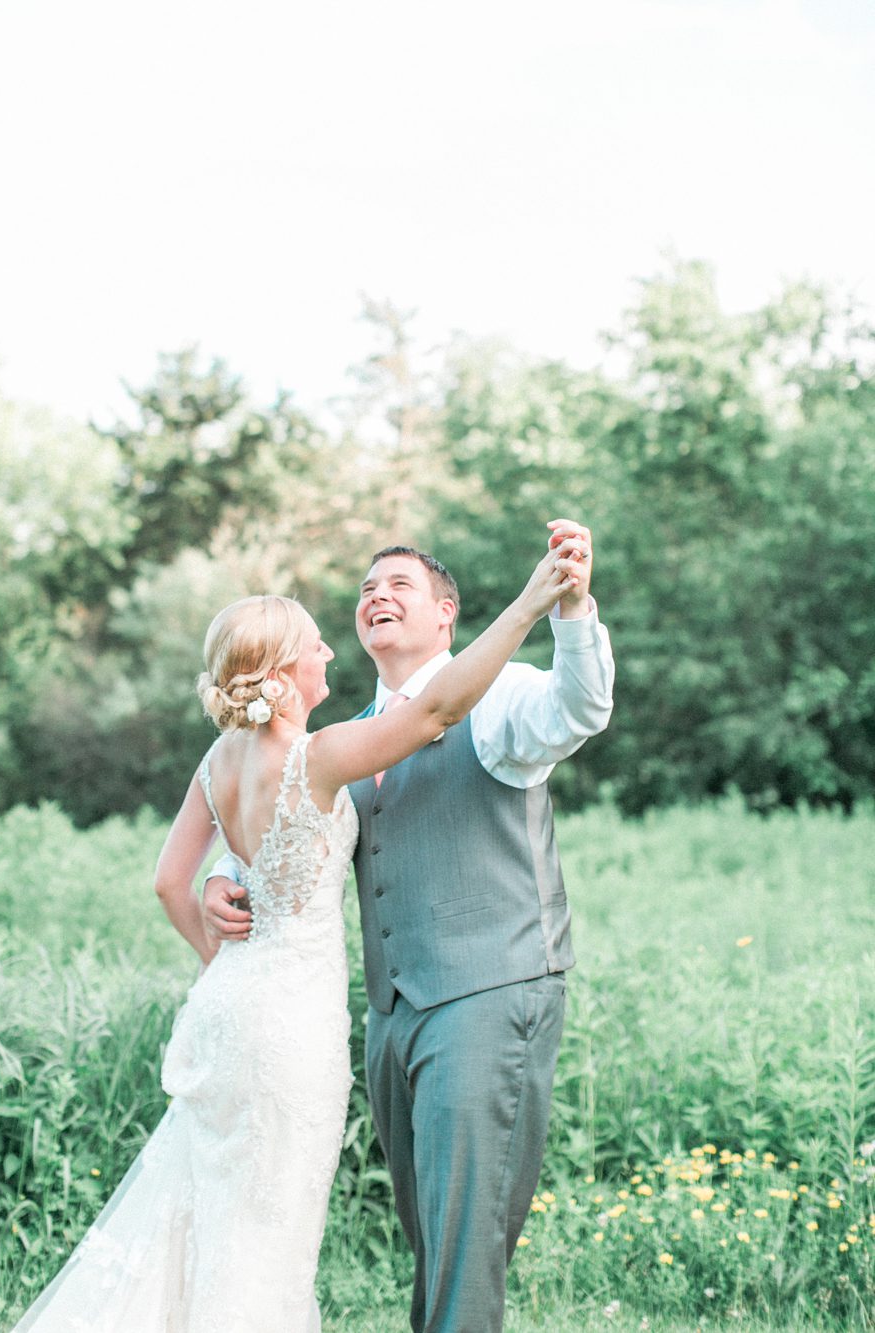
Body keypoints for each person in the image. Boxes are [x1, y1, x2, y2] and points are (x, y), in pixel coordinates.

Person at [11, 536, 586, 1333]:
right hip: (291, 1024)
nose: (330, 648)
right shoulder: (322, 755)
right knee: (268, 1228)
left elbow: (170, 879)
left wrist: (226, 917)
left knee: (215, 1206)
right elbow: (435, 711)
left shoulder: (221, 759)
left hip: (235, 1000)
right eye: (314, 642)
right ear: (283, 672)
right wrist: (529, 602)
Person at [204, 518, 614, 1333]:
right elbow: (279, 816)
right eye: (365, 588)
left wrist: (569, 610)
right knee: (431, 1226)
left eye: (398, 585)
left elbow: (580, 707)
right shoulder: (342, 735)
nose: (375, 596)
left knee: (466, 1234)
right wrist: (226, 870)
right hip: (392, 1010)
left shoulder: (499, 694)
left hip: (490, 986)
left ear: (446, 615)